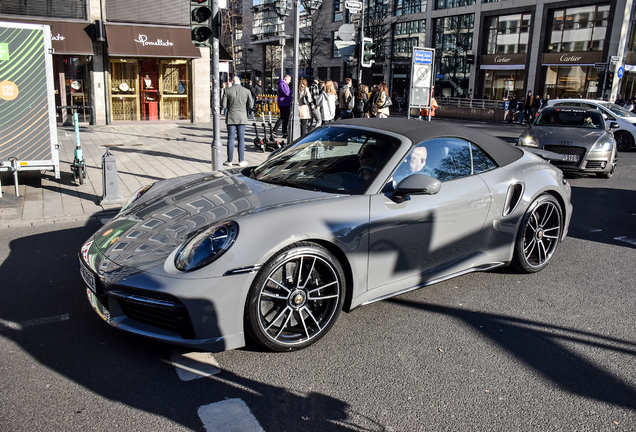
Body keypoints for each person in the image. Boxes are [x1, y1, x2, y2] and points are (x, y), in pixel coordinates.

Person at [221, 76, 253, 167]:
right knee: (241, 139)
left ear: (232, 81)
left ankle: (229, 161)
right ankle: (241, 161)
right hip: (242, 117)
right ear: (240, 81)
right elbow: (250, 105)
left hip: (231, 117)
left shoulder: (227, 91)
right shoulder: (247, 91)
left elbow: (223, 105)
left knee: (230, 138)